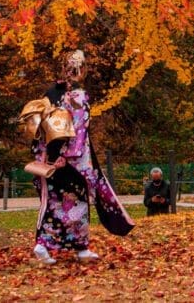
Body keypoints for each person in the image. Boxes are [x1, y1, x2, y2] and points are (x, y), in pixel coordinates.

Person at [32, 49, 134, 265]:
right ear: (80, 69)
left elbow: (42, 128)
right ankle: (55, 245)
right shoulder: (78, 95)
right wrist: (66, 156)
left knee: (54, 202)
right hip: (72, 159)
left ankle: (66, 246)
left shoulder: (49, 94)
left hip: (49, 156)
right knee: (75, 203)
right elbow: (77, 129)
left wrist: (48, 155)